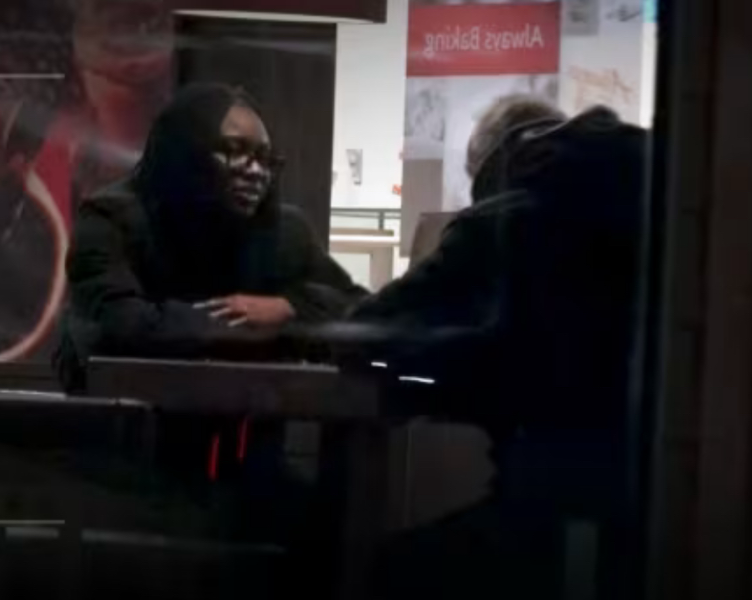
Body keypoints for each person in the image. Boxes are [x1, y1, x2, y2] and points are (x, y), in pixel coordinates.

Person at [345, 97, 646, 600]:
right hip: (645, 522)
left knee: (387, 571)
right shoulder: (645, 204)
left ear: (486, 163)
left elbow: (366, 337)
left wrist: (432, 375)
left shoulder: (498, 219)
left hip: (539, 510)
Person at [56, 83, 366, 392]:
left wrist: (289, 309)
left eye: (265, 158)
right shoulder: (112, 217)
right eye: (234, 151)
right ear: (184, 152)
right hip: (137, 418)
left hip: (250, 419)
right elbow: (118, 326)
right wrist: (250, 327)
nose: (256, 171)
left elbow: (360, 312)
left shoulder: (287, 231)